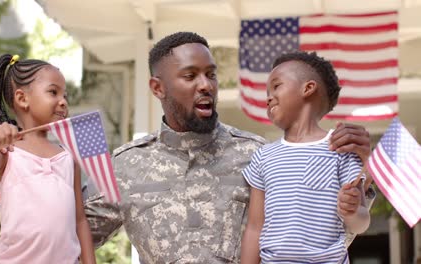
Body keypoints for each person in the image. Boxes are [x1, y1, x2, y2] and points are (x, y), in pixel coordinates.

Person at [84, 32, 374, 263]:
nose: (206, 85)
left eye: (210, 74)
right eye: (190, 76)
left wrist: (361, 181)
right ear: (158, 88)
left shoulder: (258, 155)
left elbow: (320, 238)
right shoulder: (124, 166)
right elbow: (69, 241)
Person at [0, 54, 96, 263]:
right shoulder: (8, 151)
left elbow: (79, 220)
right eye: (53, 92)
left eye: (65, 96)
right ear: (22, 98)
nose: (63, 102)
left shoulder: (68, 157)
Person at [241, 51, 371, 264]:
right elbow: (255, 227)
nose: (268, 97)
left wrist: (353, 210)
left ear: (308, 88)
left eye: (276, 86)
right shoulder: (263, 156)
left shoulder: (341, 149)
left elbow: (361, 224)